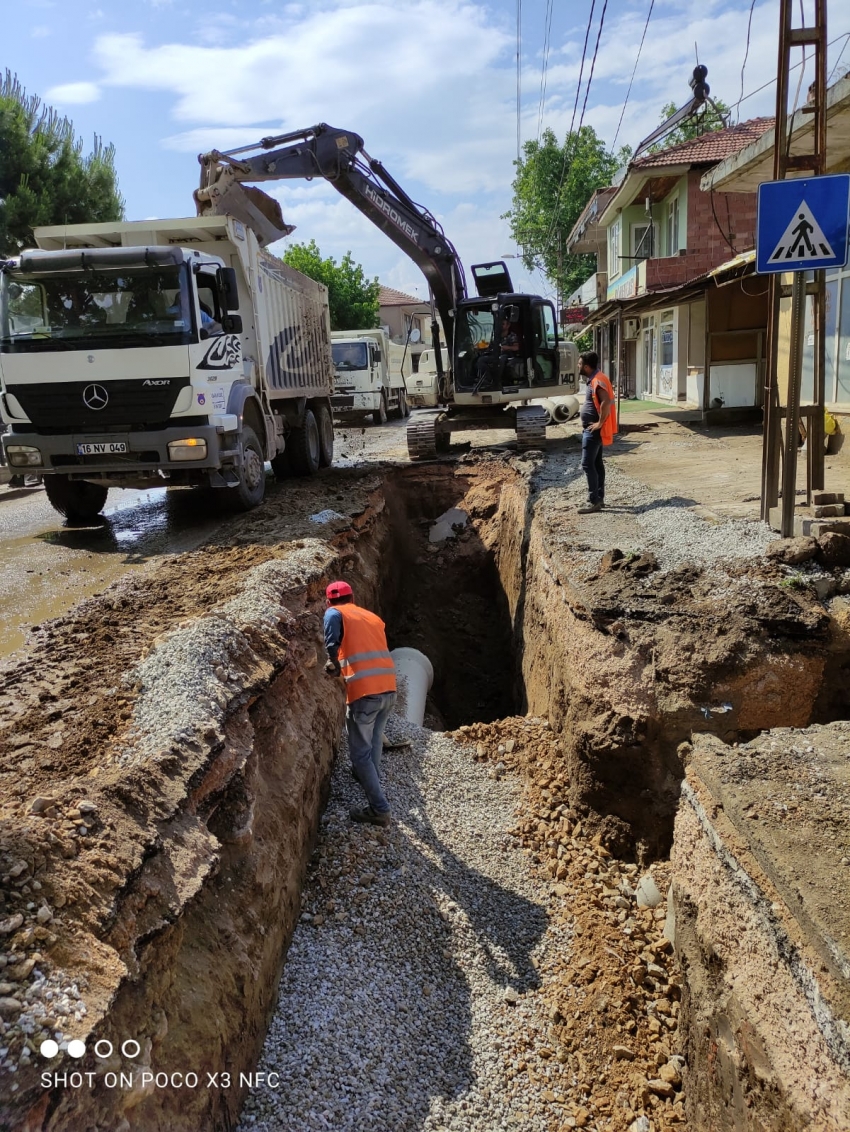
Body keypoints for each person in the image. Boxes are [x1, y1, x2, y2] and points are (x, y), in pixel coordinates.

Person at [323, 580, 397, 827]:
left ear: (328, 601)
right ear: (353, 598)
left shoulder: (334, 613)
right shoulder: (372, 617)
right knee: (375, 739)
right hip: (388, 689)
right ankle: (367, 776)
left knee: (359, 754)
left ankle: (379, 809)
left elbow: (332, 642)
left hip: (365, 694)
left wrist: (332, 662)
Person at [577, 351, 617, 514]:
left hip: (593, 430)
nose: (578, 366)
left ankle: (594, 501)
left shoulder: (597, 380)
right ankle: (599, 498)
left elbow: (606, 401)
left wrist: (599, 423)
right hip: (594, 429)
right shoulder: (595, 378)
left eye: (579, 364)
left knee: (587, 464)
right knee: (597, 463)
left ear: (586, 366)